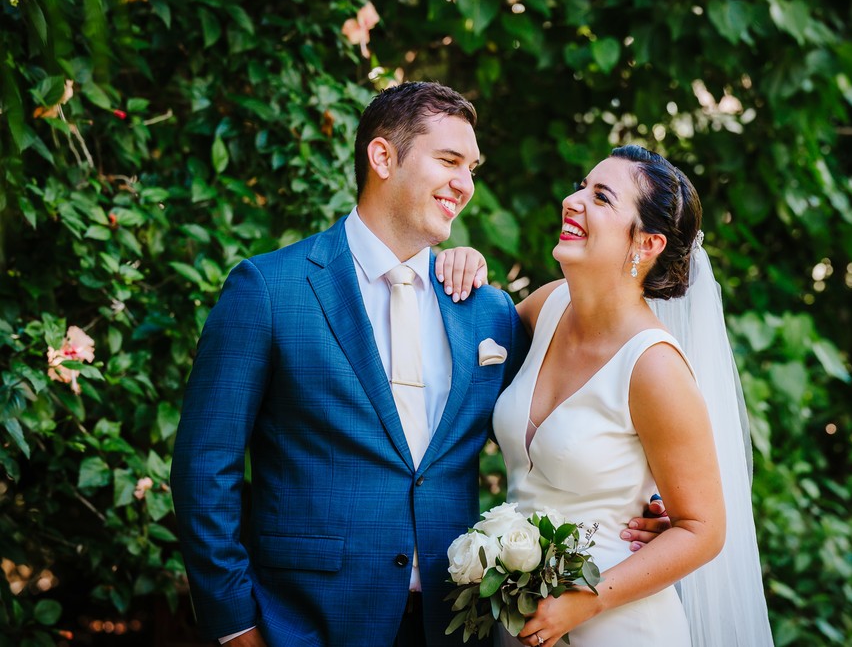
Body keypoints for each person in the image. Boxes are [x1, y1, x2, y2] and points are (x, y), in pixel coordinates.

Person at [170, 82, 666, 647]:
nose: (466, 183)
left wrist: (648, 503)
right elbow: (204, 472)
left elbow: (559, 420)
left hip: (455, 626)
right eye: (449, 161)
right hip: (305, 624)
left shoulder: (487, 311)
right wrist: (236, 628)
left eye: (472, 167)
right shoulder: (269, 290)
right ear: (382, 157)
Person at [440, 145, 773, 646]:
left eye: (601, 197)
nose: (574, 201)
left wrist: (582, 604)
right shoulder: (546, 306)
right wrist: (462, 263)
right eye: (581, 187)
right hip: (519, 623)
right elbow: (468, 339)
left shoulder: (654, 367)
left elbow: (703, 529)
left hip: (617, 625)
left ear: (647, 243)